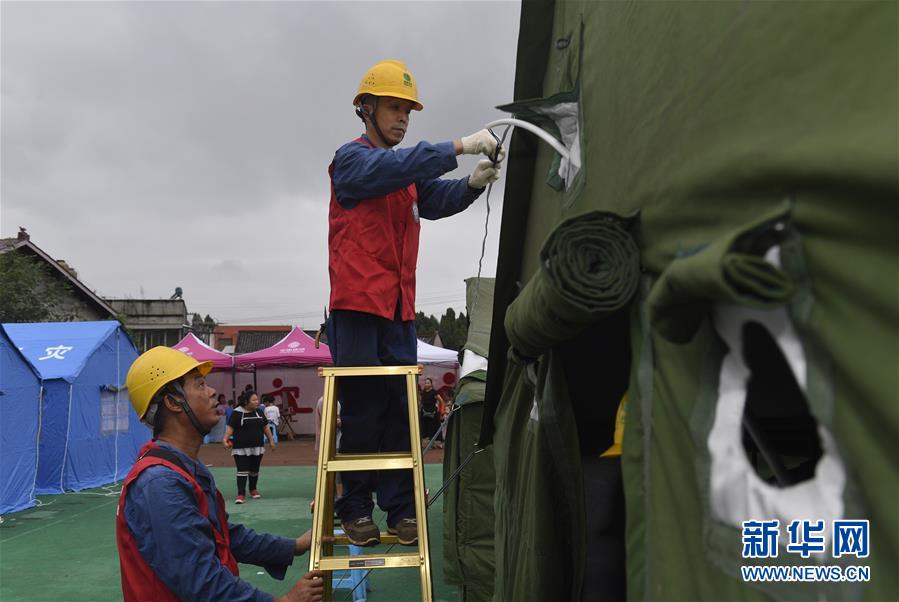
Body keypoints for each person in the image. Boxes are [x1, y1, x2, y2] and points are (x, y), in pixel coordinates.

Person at [325, 59, 504, 547]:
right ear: (366, 109)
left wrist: (471, 183)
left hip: (399, 310)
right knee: (363, 411)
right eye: (393, 108)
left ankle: (401, 509)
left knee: (400, 412)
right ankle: (356, 508)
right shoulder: (352, 161)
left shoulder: (400, 173)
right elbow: (400, 166)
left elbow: (432, 197)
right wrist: (461, 146)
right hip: (358, 308)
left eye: (407, 111)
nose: (402, 119)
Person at [117, 346, 324, 601]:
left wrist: (294, 546)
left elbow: (224, 535)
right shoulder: (161, 483)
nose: (213, 391)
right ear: (172, 402)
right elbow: (200, 581)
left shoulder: (184, 469)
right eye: (200, 385)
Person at [225, 389, 276, 503]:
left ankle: (253, 490)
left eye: (257, 399)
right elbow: (230, 428)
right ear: (246, 401)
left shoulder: (259, 412)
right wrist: (225, 439)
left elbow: (265, 427)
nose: (257, 401)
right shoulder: (237, 413)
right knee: (242, 470)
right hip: (240, 448)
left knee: (254, 470)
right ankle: (241, 494)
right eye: (254, 400)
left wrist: (271, 440)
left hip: (257, 446)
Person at [419, 378, 443, 449]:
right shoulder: (423, 392)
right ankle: (426, 443)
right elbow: (421, 402)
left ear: (431, 384)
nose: (426, 384)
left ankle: (435, 443)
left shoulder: (434, 392)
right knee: (424, 428)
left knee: (433, 427)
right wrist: (420, 409)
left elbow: (441, 401)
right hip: (424, 413)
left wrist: (439, 410)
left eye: (428, 383)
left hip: (433, 413)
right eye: (425, 383)